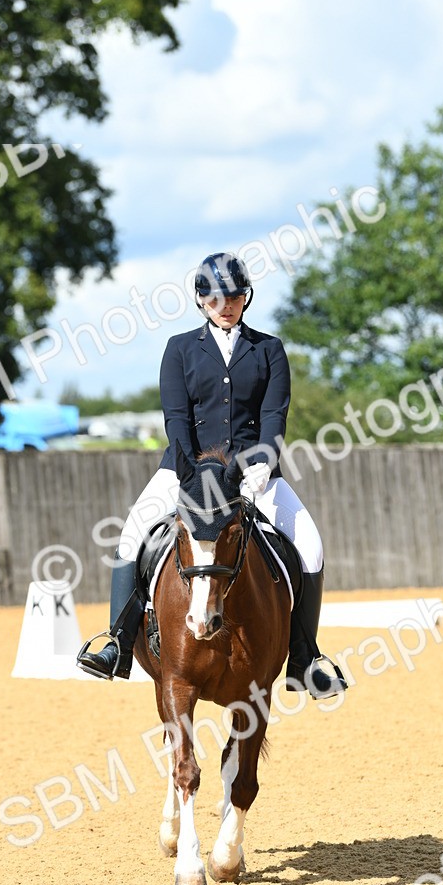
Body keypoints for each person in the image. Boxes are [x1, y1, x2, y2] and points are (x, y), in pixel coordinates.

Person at [77, 252, 346, 699]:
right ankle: (117, 644)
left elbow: (274, 415)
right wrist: (189, 472)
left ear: (246, 298)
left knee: (311, 547)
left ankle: (305, 658)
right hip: (185, 473)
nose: (228, 304)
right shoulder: (180, 349)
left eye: (236, 296)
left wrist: (261, 461)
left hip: (255, 474)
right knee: (131, 537)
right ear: (201, 301)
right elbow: (176, 419)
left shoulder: (269, 349)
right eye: (218, 298)